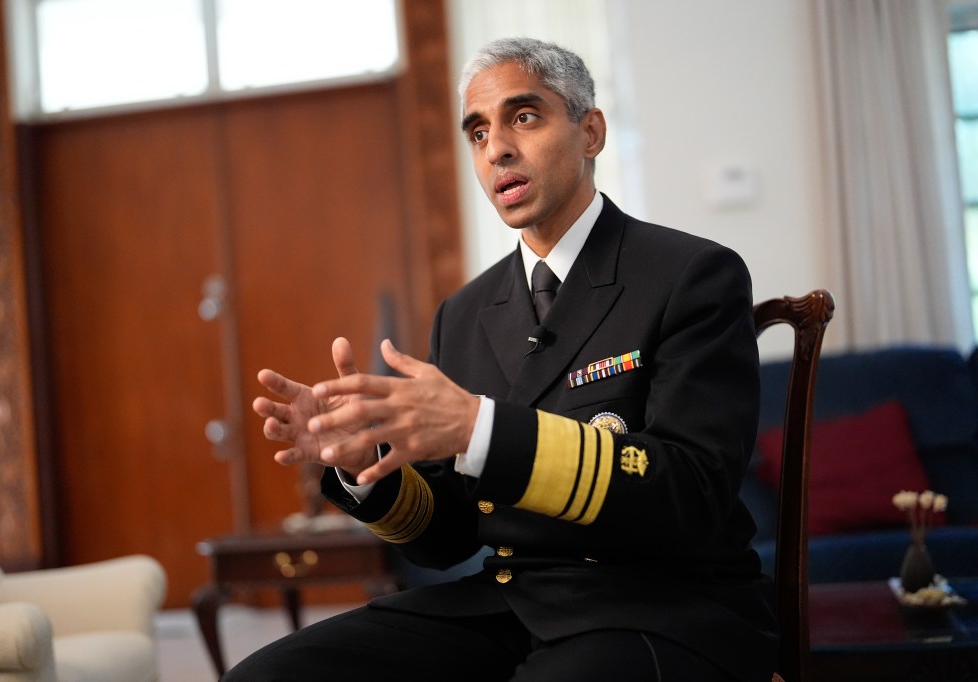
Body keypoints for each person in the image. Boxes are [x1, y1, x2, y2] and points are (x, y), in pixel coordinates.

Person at [226, 36, 778, 681]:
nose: (498, 149)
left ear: (590, 131)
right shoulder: (463, 313)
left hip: (665, 605)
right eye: (478, 131)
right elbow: (446, 539)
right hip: (513, 600)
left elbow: (692, 494)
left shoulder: (690, 273)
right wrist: (365, 466)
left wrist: (478, 428)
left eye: (525, 117)